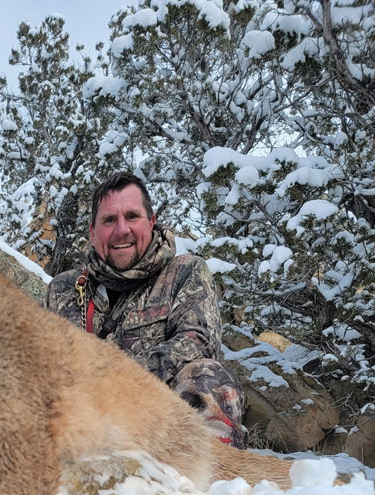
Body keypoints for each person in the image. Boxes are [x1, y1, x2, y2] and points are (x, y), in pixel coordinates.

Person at [43, 172, 245, 447]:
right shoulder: (63, 289)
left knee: (207, 375)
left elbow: (198, 340)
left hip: (157, 422)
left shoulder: (185, 272)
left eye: (132, 216)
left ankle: (213, 483)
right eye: (109, 220)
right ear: (92, 232)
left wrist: (117, 383)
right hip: (78, 427)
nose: (121, 230)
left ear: (151, 222)